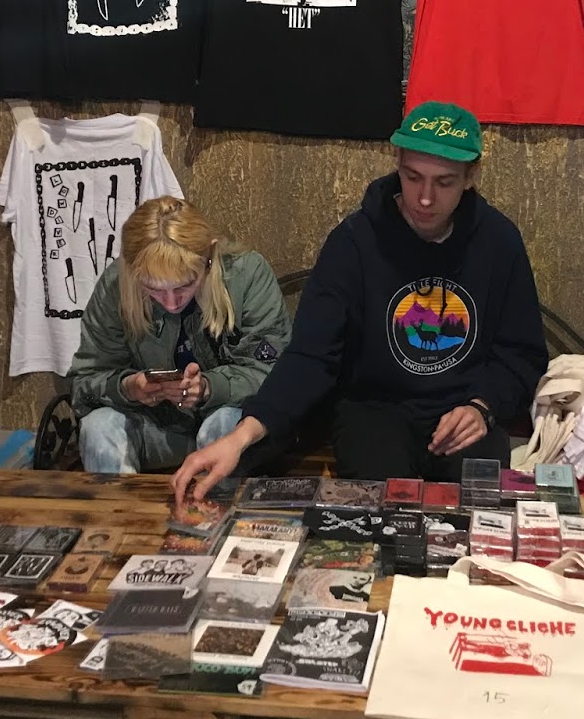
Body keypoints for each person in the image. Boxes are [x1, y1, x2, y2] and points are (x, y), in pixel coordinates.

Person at [173, 101, 548, 501]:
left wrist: (483, 406)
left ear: (471, 177)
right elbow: (312, 356)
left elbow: (521, 354)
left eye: (444, 182)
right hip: (375, 409)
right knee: (377, 504)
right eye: (413, 177)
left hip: (464, 409)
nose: (425, 198)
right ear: (397, 163)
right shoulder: (353, 242)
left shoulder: (499, 241)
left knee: (479, 503)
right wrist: (242, 435)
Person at [69, 196, 291, 474]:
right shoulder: (115, 286)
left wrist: (209, 387)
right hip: (157, 428)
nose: (172, 303)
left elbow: (277, 377)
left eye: (185, 285)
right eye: (154, 289)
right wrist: (128, 388)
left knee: (221, 424)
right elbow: (85, 384)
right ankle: (118, 503)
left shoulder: (247, 275)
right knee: (98, 427)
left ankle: (213, 504)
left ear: (209, 258)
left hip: (230, 422)